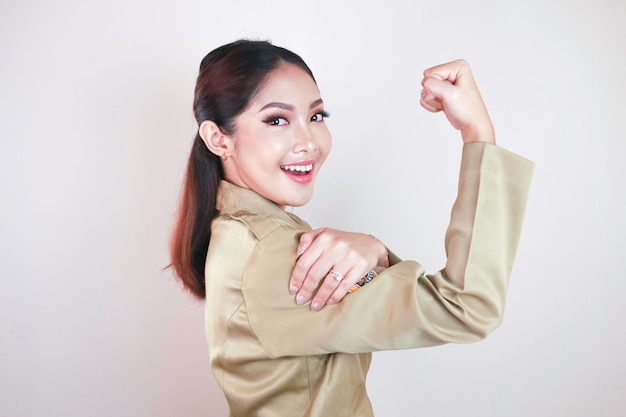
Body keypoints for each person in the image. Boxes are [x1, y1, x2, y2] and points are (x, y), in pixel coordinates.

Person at [169, 39, 533, 417]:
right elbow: (466, 305)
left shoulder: (242, 235)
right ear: (218, 138)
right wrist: (477, 132)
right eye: (277, 120)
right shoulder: (271, 254)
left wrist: (374, 249)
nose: (309, 142)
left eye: (316, 116)